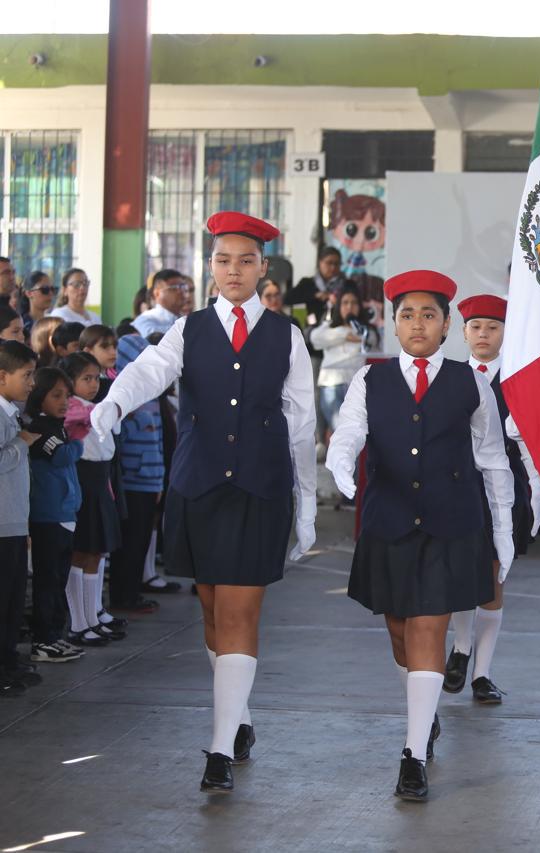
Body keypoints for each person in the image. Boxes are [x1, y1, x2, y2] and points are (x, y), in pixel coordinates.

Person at [91, 212, 317, 794]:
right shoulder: (188, 329)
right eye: (223, 260)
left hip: (259, 489)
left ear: (264, 268)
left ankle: (218, 750)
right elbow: (149, 373)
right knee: (213, 615)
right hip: (199, 488)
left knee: (239, 613)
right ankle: (237, 718)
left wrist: (307, 502)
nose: (233, 270)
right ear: (210, 267)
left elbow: (299, 420)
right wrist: (111, 407)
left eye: (246, 260)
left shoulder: (285, 333)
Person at [325, 270, 514, 803]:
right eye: (407, 314)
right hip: (388, 523)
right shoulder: (371, 379)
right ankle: (423, 715)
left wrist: (503, 531)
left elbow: (494, 461)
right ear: (393, 322)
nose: (417, 324)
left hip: (450, 524)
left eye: (428, 314)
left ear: (447, 324)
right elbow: (349, 433)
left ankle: (412, 757)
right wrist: (342, 469)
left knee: (430, 629)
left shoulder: (470, 382)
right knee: (401, 638)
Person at [443, 294, 540, 705]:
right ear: (463, 332)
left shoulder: (520, 383)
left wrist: (538, 496)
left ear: (506, 332)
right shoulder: (451, 378)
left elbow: (533, 447)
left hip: (506, 487)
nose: (484, 334)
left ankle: (481, 672)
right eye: (476, 327)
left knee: (493, 577)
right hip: (456, 487)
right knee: (458, 573)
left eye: (493, 327)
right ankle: (461, 648)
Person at [60, 352, 125, 644]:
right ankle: (78, 623)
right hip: (83, 483)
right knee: (81, 552)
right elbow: (79, 419)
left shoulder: (95, 407)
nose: (93, 384)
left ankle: (91, 617)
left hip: (100, 484)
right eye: (85, 378)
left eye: (95, 378)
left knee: (96, 553)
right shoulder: (72, 409)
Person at [24, 366, 87, 659]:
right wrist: (77, 441)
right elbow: (61, 456)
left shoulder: (58, 426)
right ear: (39, 397)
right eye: (56, 395)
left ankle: (55, 634)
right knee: (47, 580)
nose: (64, 401)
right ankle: (42, 640)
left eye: (67, 396)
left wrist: (72, 437)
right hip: (47, 516)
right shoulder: (40, 427)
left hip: (65, 513)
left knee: (59, 579)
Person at [2, 343, 52, 697]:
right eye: (26, 375)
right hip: (2, 524)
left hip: (16, 521)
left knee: (13, 599)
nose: (32, 383)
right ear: (2, 377)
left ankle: (8, 660)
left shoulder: (12, 412)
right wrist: (21, 441)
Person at [105, 334, 168, 612]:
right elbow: (119, 434)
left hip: (151, 479)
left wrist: (159, 478)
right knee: (129, 541)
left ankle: (132, 591)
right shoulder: (125, 394)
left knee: (141, 539)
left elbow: (159, 440)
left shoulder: (152, 395)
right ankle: (123, 596)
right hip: (132, 480)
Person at [309, 286, 368, 448]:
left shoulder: (364, 328)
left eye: (354, 303)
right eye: (345, 303)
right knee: (344, 432)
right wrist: (345, 335)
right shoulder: (329, 327)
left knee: (354, 435)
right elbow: (315, 338)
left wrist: (353, 334)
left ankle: (349, 473)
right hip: (331, 386)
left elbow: (372, 341)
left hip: (357, 388)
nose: (349, 307)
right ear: (338, 306)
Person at [286, 246, 349, 328]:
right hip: (313, 325)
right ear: (320, 263)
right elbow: (287, 299)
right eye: (329, 263)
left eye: (336, 264)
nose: (333, 267)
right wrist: (315, 295)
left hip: (339, 328)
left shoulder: (346, 285)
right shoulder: (308, 283)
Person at [131, 269, 189, 340]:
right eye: (174, 288)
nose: (181, 291)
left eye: (182, 286)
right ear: (157, 293)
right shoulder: (145, 320)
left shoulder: (187, 319)